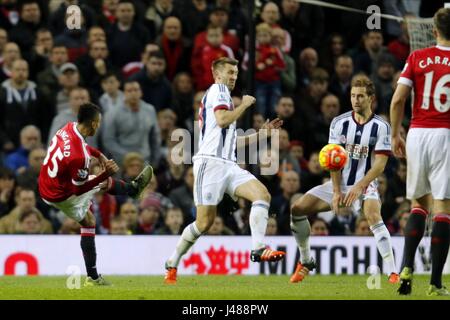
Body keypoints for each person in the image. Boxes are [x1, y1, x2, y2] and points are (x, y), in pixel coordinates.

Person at [164, 57, 285, 284]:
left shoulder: (225, 98)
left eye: (235, 74)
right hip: (209, 164)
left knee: (262, 195)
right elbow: (222, 120)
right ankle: (172, 262)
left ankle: (258, 248)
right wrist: (245, 104)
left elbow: (231, 142)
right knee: (203, 223)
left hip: (228, 164)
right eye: (230, 73)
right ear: (216, 74)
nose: (233, 77)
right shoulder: (218, 90)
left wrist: (263, 133)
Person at [290, 76, 399, 284]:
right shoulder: (339, 123)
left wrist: (360, 186)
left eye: (360, 96)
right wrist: (338, 190)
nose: (355, 100)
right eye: (352, 96)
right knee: (297, 209)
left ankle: (392, 271)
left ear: (371, 99)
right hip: (338, 183)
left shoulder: (381, 126)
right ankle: (305, 261)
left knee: (373, 215)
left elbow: (380, 164)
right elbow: (333, 160)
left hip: (365, 184)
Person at [38, 102, 153, 286]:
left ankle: (92, 277)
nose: (98, 126)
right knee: (101, 184)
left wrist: (99, 155)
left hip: (45, 184)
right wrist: (105, 174)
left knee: (89, 220)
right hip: (60, 194)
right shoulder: (79, 158)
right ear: (93, 123)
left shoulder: (67, 128)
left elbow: (83, 147)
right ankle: (132, 190)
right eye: (98, 123)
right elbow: (78, 190)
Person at [390, 8, 450, 296]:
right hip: (445, 134)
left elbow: (399, 98)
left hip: (416, 133)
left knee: (418, 204)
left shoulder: (417, 57)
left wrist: (394, 133)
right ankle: (436, 282)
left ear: (434, 30)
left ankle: (406, 266)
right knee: (443, 209)